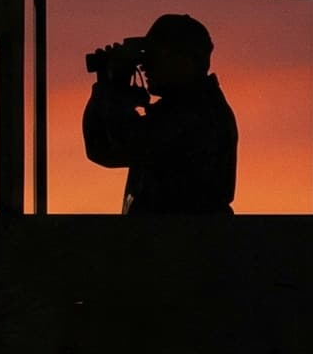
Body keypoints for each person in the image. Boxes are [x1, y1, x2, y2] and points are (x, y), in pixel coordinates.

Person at [82, 12, 237, 216]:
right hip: (171, 241)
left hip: (186, 241)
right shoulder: (181, 109)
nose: (145, 65)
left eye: (154, 54)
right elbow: (100, 148)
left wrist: (115, 89)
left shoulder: (198, 113)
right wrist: (105, 87)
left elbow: (126, 142)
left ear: (184, 58)